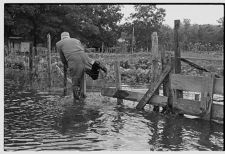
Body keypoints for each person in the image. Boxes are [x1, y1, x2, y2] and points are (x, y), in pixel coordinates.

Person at [56, 32, 107, 102]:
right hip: (85, 57)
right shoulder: (76, 40)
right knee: (93, 76)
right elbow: (81, 50)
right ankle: (96, 65)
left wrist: (67, 66)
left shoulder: (59, 43)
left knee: (75, 83)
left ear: (61, 38)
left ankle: (76, 101)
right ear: (69, 36)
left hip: (74, 60)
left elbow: (63, 58)